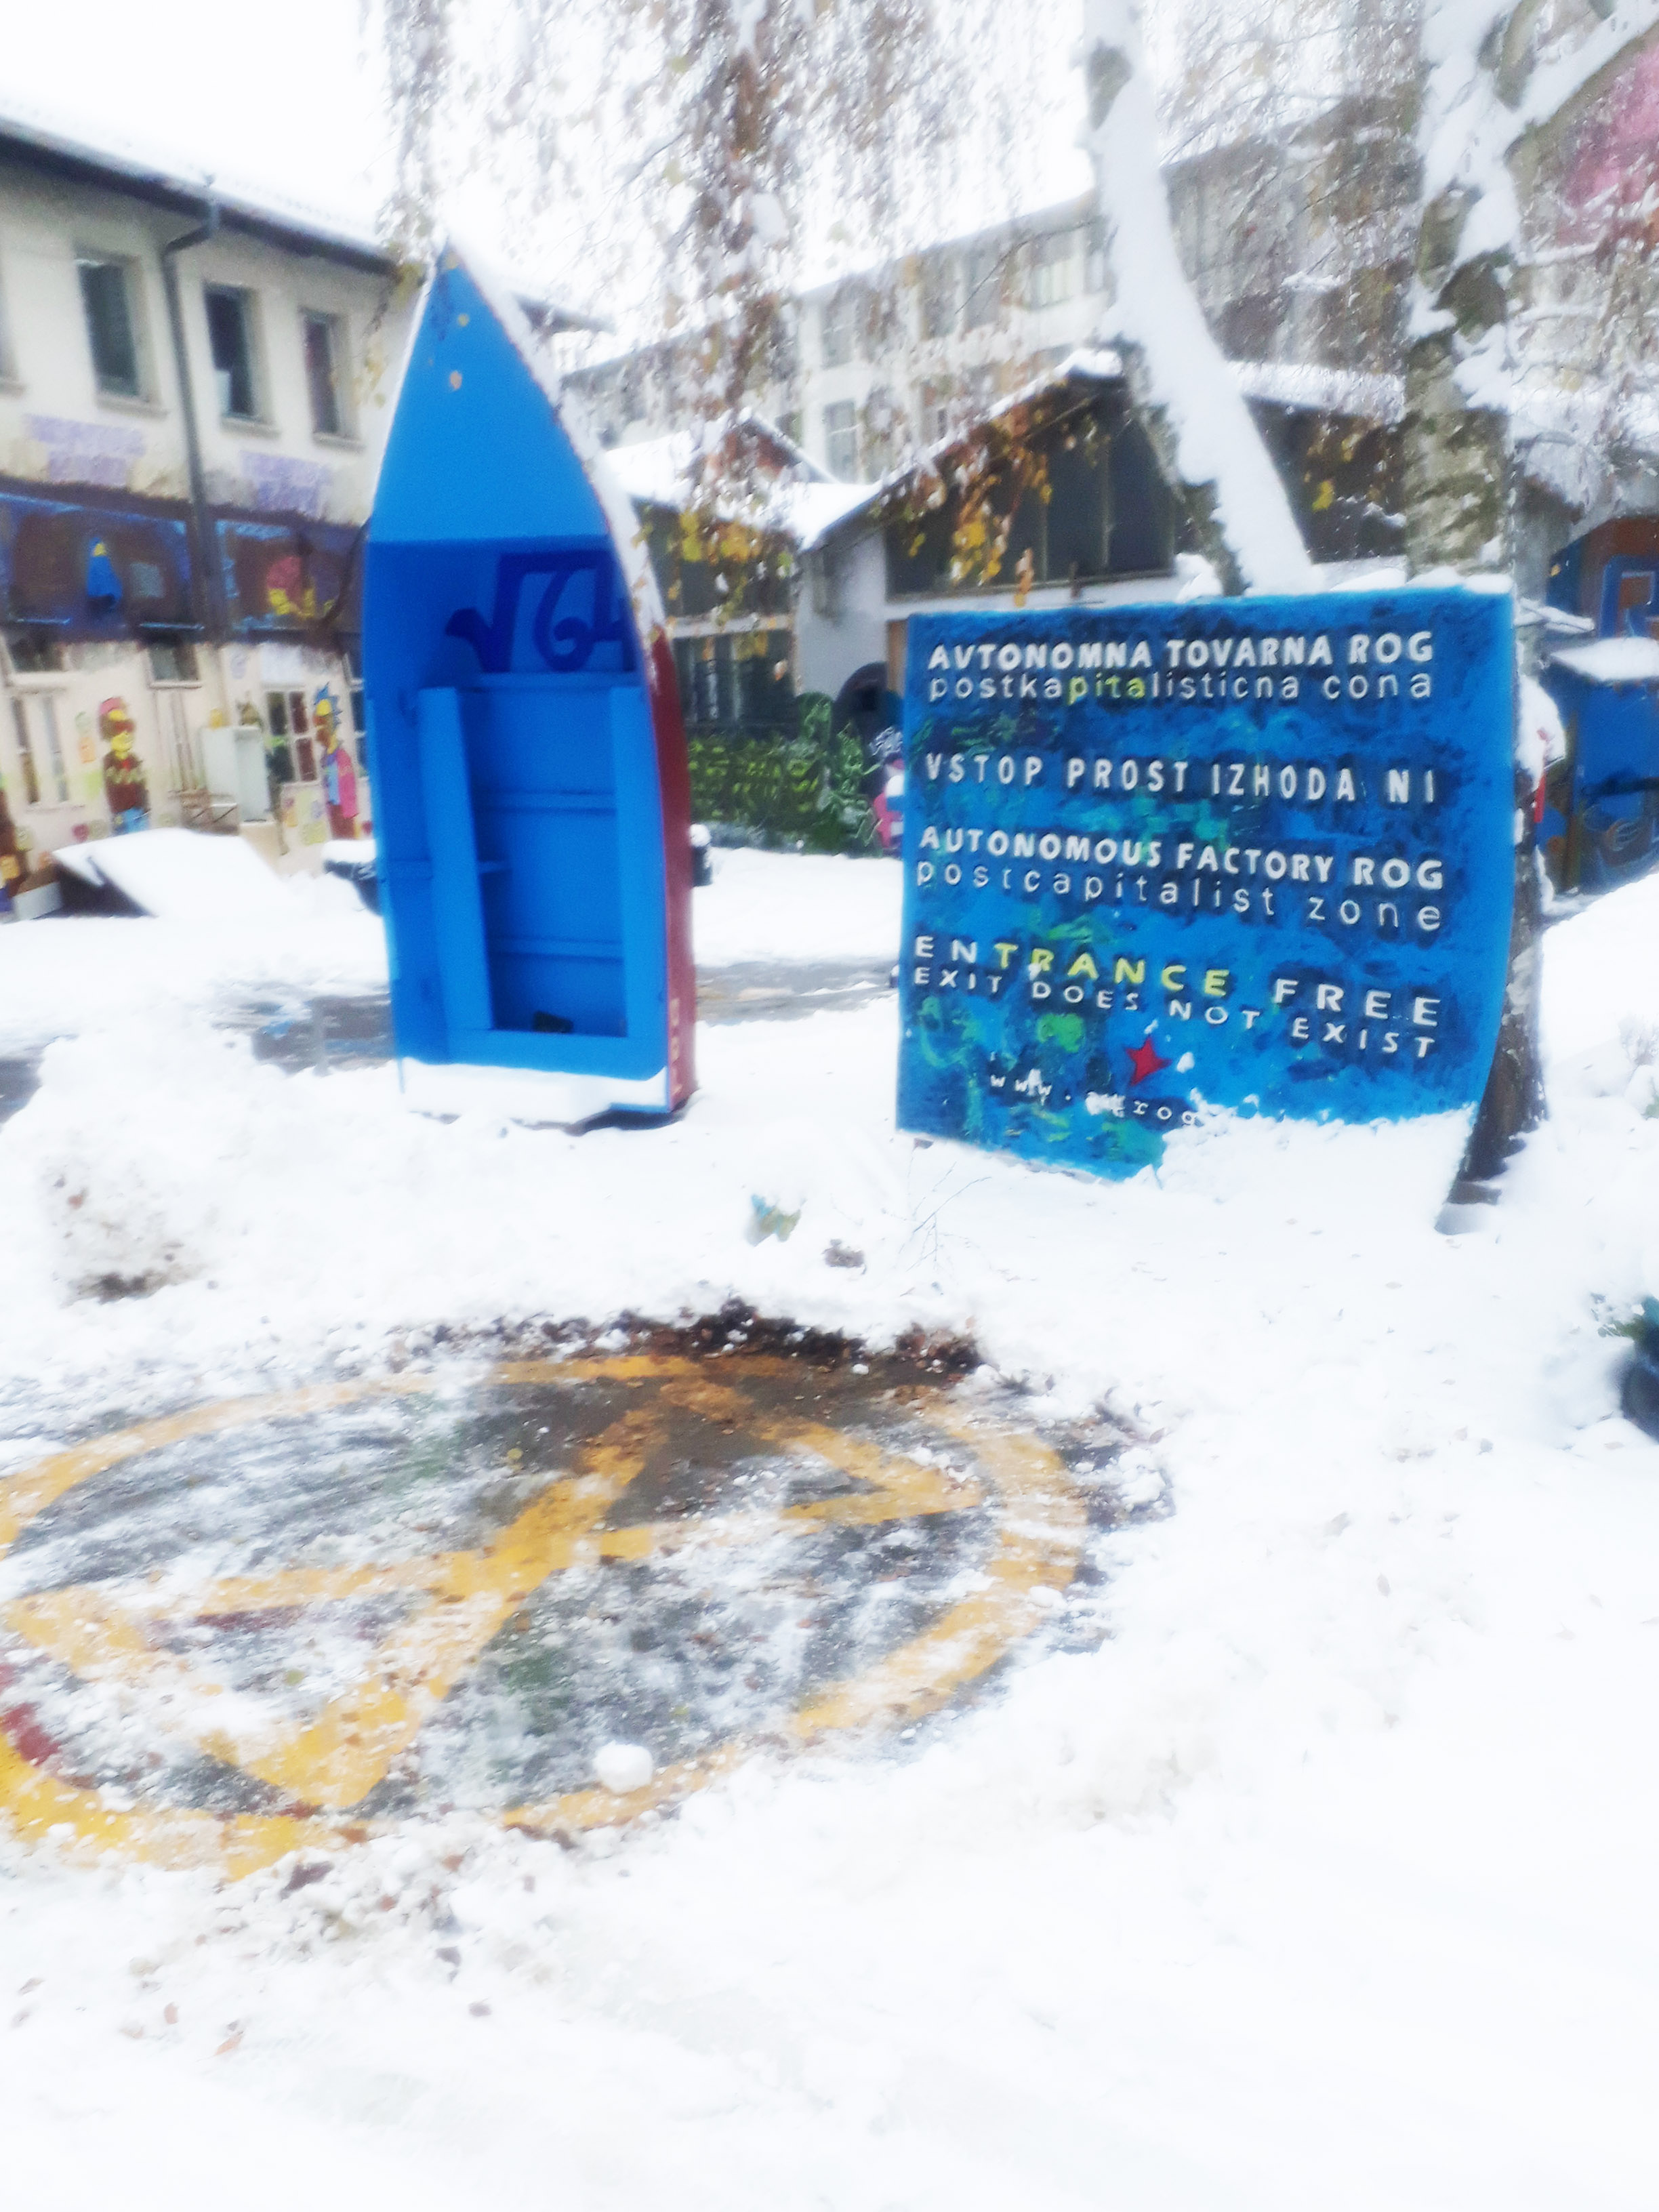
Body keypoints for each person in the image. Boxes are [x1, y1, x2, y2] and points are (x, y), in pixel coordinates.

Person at [99, 699, 148, 832]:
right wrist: (116, 812)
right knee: (125, 840)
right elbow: (111, 790)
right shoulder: (109, 761)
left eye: (128, 727)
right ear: (108, 732)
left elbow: (142, 786)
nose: (125, 733)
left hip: (139, 812)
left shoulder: (134, 760)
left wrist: (146, 809)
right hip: (121, 814)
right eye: (118, 728)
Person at [314, 691, 359, 840]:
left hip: (344, 810)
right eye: (320, 721)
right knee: (338, 841)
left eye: (326, 719)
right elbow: (326, 783)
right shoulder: (325, 758)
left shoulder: (343, 756)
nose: (322, 726)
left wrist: (349, 810)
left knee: (347, 842)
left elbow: (349, 786)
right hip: (333, 809)